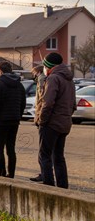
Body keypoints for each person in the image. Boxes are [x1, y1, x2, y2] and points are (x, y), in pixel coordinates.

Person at [33, 52, 76, 188]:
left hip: (51, 124)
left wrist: (42, 120)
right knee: (58, 157)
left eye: (45, 66)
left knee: (44, 155)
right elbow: (73, 105)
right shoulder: (69, 80)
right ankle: (63, 187)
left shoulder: (53, 79)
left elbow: (48, 102)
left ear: (49, 67)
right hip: (64, 124)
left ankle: (48, 186)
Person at [0, 62, 26, 178]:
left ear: (0, 71)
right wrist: (18, 116)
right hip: (14, 121)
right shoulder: (19, 85)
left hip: (1, 121)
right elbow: (23, 103)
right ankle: (11, 173)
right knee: (11, 149)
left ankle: (2, 173)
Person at [30, 65, 47, 182]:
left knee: (44, 150)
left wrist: (38, 117)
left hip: (44, 118)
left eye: (34, 73)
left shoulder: (41, 79)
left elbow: (42, 99)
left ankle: (45, 175)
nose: (33, 75)